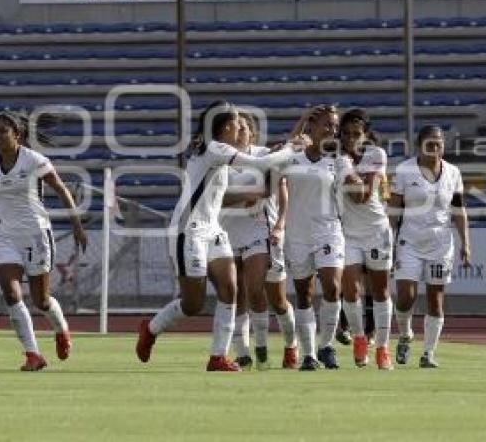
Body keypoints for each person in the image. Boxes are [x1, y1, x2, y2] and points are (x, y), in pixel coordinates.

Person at [135, 101, 303, 372]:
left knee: (230, 290)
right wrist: (290, 148)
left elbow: (260, 162)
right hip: (188, 230)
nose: (242, 127)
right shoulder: (215, 148)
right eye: (238, 122)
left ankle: (217, 357)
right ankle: (151, 328)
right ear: (226, 127)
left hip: (212, 229)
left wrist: (283, 149)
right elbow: (260, 162)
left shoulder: (220, 150)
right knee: (193, 303)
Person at [0, 111, 87, 371]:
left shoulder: (34, 160)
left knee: (41, 301)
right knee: (11, 294)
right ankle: (33, 354)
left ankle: (61, 329)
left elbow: (61, 190)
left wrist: (76, 225)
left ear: (17, 135)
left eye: (3, 131)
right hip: (5, 236)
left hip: (36, 234)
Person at [389, 125, 471, 368]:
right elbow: (394, 210)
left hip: (440, 243)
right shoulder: (405, 171)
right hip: (410, 241)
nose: (435, 148)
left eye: (439, 143)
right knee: (406, 297)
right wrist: (388, 240)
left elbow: (458, 210)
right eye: (430, 143)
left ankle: (428, 353)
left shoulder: (453, 173)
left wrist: (466, 242)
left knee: (436, 299)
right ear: (420, 145)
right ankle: (405, 335)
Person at [222, 111, 298, 370]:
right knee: (235, 296)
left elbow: (281, 190)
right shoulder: (221, 158)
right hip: (227, 231)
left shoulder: (263, 155)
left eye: (243, 127)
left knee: (268, 295)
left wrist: (279, 225)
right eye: (235, 127)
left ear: (252, 133)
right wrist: (245, 195)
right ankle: (244, 352)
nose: (239, 131)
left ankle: (290, 344)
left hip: (260, 231)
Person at [279, 105, 349, 371]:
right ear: (312, 127)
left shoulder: (337, 160)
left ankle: (326, 346)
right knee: (304, 295)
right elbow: (280, 155)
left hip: (328, 230)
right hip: (298, 233)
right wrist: (301, 118)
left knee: (332, 286)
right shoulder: (293, 156)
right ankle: (309, 354)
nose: (331, 130)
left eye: (334, 126)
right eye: (326, 125)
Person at [337, 109, 394, 369]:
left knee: (380, 291)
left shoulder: (376, 155)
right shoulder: (335, 158)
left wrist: (348, 170)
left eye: (356, 134)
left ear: (366, 135)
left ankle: (382, 347)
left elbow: (362, 195)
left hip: (375, 230)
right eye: (346, 134)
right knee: (349, 289)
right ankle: (360, 338)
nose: (351, 139)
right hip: (348, 232)